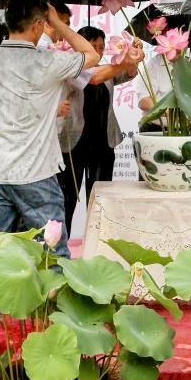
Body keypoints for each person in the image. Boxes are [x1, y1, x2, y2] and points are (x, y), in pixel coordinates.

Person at [0, 0, 100, 258]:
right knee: (52, 257)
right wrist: (58, 21)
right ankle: (50, 300)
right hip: (36, 175)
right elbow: (91, 55)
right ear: (38, 25)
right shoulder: (47, 61)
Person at [57, 26, 142, 234]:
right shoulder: (70, 68)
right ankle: (60, 248)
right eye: (92, 47)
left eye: (101, 47)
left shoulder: (108, 70)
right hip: (74, 144)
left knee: (100, 201)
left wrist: (133, 58)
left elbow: (128, 74)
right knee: (68, 199)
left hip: (103, 144)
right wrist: (125, 61)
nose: (98, 52)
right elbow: (94, 77)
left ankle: (96, 244)